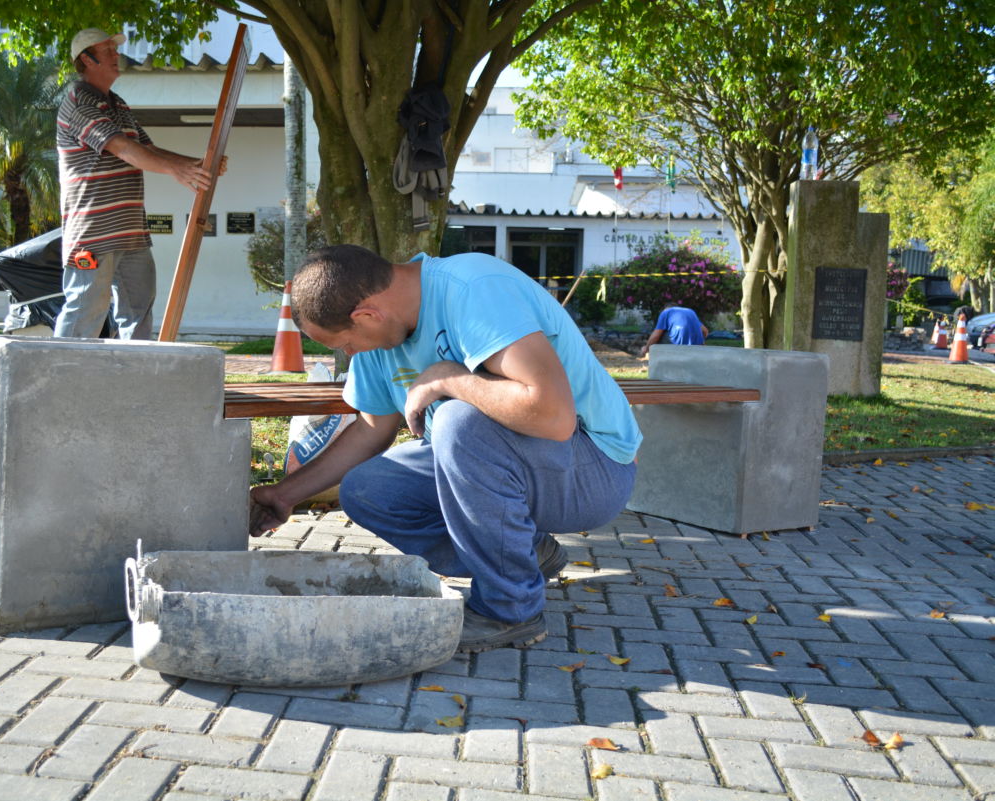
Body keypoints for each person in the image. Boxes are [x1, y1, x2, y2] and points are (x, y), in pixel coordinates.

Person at [249, 245, 642, 653]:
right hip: (513, 465)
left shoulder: (473, 288)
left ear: (366, 315)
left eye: (345, 343)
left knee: (458, 421)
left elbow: (554, 417)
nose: (349, 353)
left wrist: (450, 378)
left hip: (593, 466)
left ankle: (510, 609)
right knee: (368, 489)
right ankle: (525, 554)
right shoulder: (381, 338)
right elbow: (370, 430)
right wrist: (284, 495)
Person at [54, 28, 225, 340]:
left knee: (138, 313)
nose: (116, 55)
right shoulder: (78, 102)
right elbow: (123, 148)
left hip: (131, 232)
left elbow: (148, 149)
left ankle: (134, 379)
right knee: (85, 309)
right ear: (86, 59)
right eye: (107, 50)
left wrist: (196, 165)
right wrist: (180, 169)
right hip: (93, 233)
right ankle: (58, 382)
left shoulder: (117, 104)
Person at [639, 304, 708, 356]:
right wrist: (699, 341)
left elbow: (656, 336)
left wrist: (646, 348)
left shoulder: (666, 312)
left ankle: (662, 360)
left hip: (677, 347)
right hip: (696, 346)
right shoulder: (690, 312)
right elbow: (705, 331)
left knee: (661, 334)